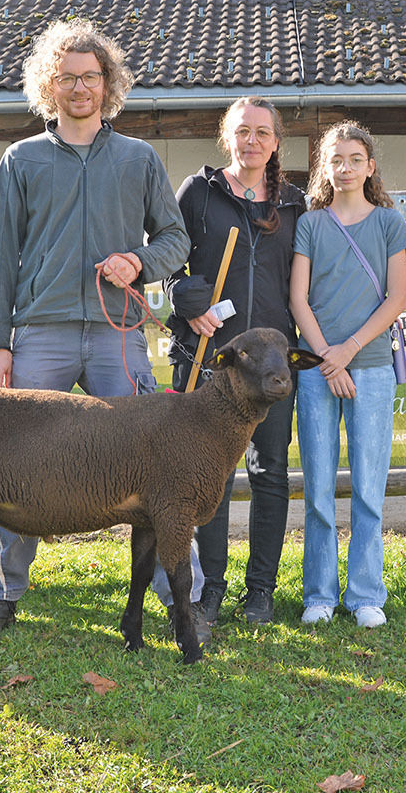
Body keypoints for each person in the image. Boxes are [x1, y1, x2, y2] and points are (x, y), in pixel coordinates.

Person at [0, 17, 191, 636]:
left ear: (108, 83)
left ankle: (178, 591)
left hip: (117, 333)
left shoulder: (138, 158)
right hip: (39, 332)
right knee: (17, 462)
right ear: (50, 84)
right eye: (67, 77)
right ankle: (3, 590)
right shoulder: (21, 160)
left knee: (157, 462)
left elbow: (176, 240)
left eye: (90, 76)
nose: (79, 88)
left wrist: (139, 262)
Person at [164, 96, 306, 625]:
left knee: (270, 473)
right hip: (212, 363)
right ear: (227, 137)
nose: (252, 141)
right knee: (210, 477)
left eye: (263, 133)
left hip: (270, 366)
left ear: (275, 143)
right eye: (242, 131)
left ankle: (261, 591)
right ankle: (210, 590)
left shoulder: (292, 203)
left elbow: (304, 280)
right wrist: (187, 300)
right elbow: (169, 263)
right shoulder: (199, 192)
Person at [289, 121, 406, 630]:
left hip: (372, 370)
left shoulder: (388, 222)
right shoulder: (311, 224)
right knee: (317, 488)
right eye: (335, 160)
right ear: (325, 167)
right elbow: (298, 298)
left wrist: (348, 351)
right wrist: (325, 359)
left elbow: (396, 300)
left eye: (354, 159)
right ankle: (318, 593)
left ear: (370, 166)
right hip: (317, 372)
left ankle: (365, 594)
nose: (344, 168)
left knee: (367, 487)